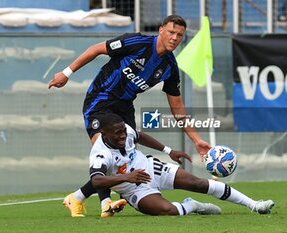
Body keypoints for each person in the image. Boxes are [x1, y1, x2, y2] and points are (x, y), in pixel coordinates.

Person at [48, 15, 211, 217]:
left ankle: (80, 198)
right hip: (101, 100)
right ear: (161, 30)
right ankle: (104, 202)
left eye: (179, 35)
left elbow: (177, 107)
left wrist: (196, 140)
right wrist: (67, 72)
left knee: (123, 158)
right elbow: (96, 49)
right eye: (171, 32)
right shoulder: (137, 43)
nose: (174, 38)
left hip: (125, 108)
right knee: (105, 149)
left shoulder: (169, 67)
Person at [64, 113, 275, 217]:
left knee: (199, 183)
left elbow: (140, 136)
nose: (123, 135)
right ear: (104, 134)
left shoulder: (125, 130)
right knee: (169, 211)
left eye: (123, 131)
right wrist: (126, 178)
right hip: (132, 189)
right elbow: (97, 180)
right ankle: (192, 205)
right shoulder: (100, 154)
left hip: (151, 168)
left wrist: (168, 151)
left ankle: (254, 205)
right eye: (117, 133)